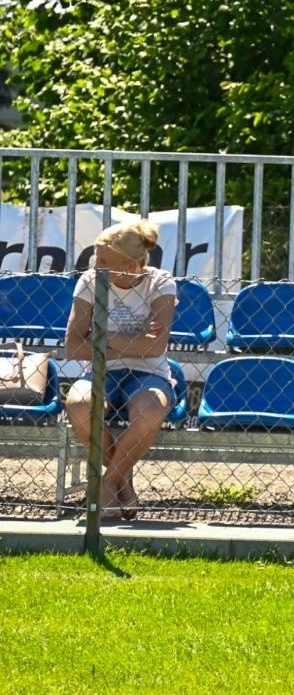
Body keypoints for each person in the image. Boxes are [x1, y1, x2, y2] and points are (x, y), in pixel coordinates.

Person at [63, 221, 177, 520]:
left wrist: (102, 337)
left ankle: (106, 484)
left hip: (149, 373)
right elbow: (73, 347)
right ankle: (122, 479)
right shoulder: (89, 280)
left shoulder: (161, 283)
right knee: (79, 405)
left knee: (150, 409)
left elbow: (154, 349)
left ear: (129, 264)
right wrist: (133, 342)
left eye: (102, 260)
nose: (94, 264)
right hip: (101, 370)